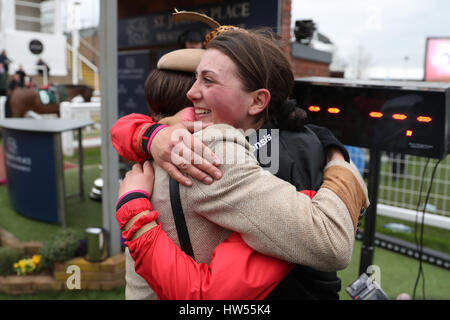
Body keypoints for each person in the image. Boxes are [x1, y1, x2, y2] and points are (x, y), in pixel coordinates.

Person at [112, 29, 369, 300]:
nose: (190, 92)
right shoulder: (212, 141)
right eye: (195, 78)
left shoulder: (214, 147)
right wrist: (150, 135)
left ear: (258, 101)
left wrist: (134, 211)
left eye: (208, 80)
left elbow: (330, 242)